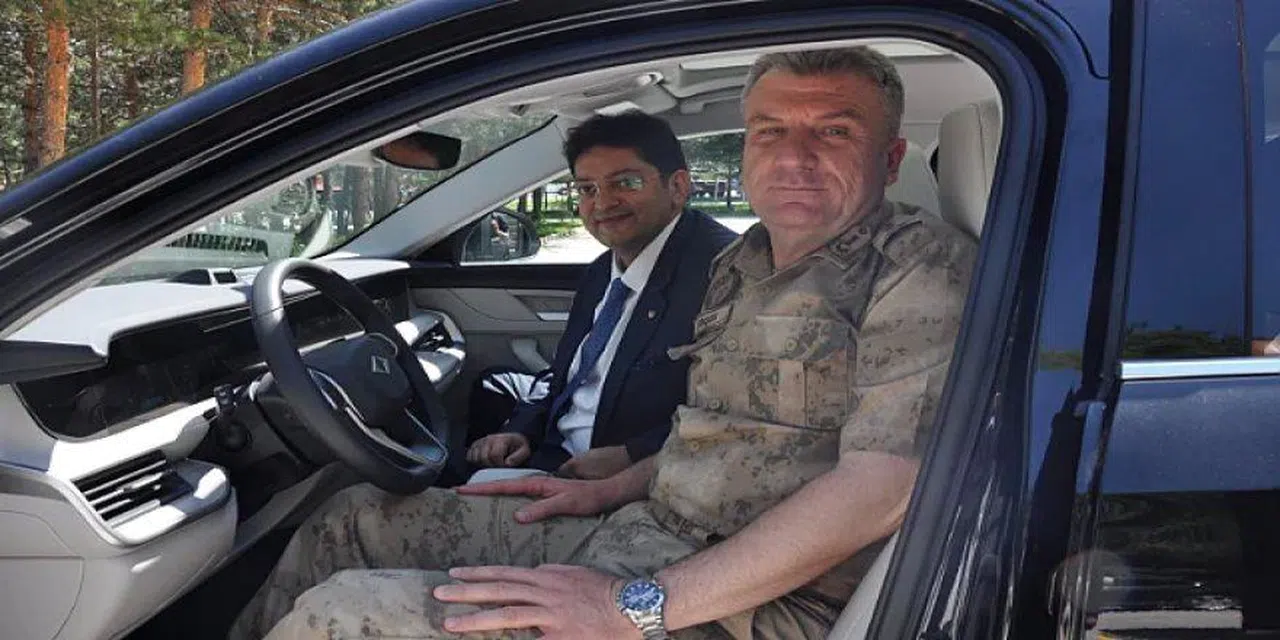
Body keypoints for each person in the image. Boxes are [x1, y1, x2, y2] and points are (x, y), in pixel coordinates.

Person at [232, 45, 977, 640]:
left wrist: (635, 607)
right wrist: (608, 489)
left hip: (746, 603)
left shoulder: (919, 266)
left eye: (835, 131)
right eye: (771, 130)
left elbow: (884, 486)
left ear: (889, 159)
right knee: (353, 519)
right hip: (643, 531)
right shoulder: (744, 261)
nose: (794, 155)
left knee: (345, 613)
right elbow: (720, 432)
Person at [459, 111, 737, 483]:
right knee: (490, 393)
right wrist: (522, 429)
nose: (603, 203)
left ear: (677, 187)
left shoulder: (724, 273)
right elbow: (568, 374)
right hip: (558, 451)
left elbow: (738, 412)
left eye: (625, 182)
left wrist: (632, 455)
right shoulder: (602, 270)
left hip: (630, 481)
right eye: (587, 189)